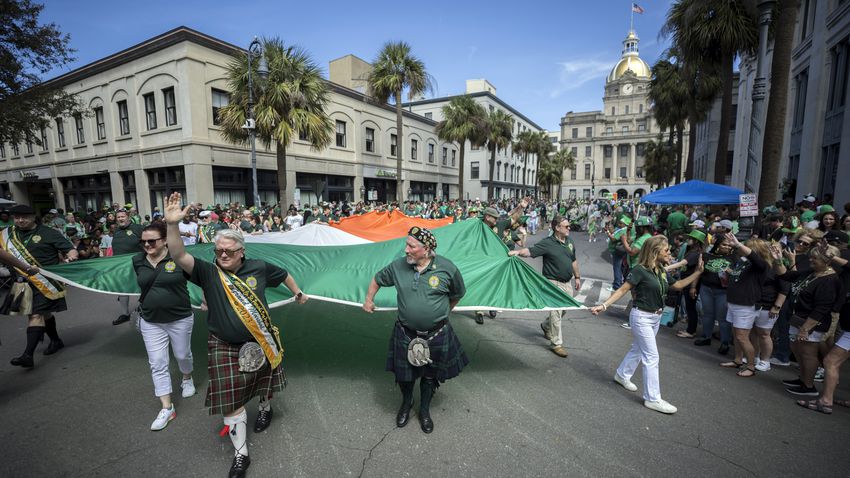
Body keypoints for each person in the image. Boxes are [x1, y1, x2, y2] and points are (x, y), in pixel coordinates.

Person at [163, 192, 308, 478]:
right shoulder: (207, 272)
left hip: (259, 339)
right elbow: (178, 255)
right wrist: (171, 225)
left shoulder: (260, 267)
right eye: (219, 251)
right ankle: (241, 454)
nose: (224, 255)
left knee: (263, 383)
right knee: (232, 401)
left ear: (242, 250)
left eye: (229, 251)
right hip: (223, 344)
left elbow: (285, 274)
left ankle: (265, 408)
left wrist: (298, 292)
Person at [363, 226, 466, 434]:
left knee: (430, 376)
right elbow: (376, 279)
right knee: (406, 375)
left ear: (426, 249)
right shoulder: (398, 266)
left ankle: (425, 410)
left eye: (411, 246)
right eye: (406, 244)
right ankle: (407, 403)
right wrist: (368, 299)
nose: (406, 250)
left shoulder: (447, 268)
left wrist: (441, 313)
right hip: (405, 332)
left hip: (437, 333)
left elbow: (457, 293)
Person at [590, 235, 703, 414]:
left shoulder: (661, 270)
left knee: (638, 349)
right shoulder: (639, 270)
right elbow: (623, 289)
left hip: (655, 318)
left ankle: (622, 375)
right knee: (652, 356)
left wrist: (697, 272)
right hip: (641, 317)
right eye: (666, 250)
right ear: (655, 251)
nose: (669, 253)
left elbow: (679, 284)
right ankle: (652, 399)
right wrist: (604, 305)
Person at [132, 221, 196, 431]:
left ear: (165, 240)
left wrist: (205, 298)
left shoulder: (178, 258)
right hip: (151, 321)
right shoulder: (137, 260)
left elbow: (201, 278)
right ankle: (167, 408)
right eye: (143, 242)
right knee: (157, 362)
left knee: (182, 355)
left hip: (180, 318)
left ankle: (187, 378)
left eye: (152, 241)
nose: (147, 245)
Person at [3, 204, 79, 368]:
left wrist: (72, 256)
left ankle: (27, 355)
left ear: (33, 217)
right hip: (20, 282)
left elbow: (70, 249)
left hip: (44, 282)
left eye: (24, 217)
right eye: (16, 217)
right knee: (44, 315)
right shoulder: (7, 234)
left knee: (34, 315)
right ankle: (56, 340)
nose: (20, 220)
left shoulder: (48, 232)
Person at [770, 242, 841, 397]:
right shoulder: (812, 272)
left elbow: (821, 308)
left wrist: (805, 328)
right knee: (798, 350)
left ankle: (808, 387)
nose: (810, 260)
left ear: (827, 261)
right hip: (798, 318)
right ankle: (802, 379)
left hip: (811, 323)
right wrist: (777, 259)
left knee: (808, 353)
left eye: (815, 258)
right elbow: (785, 275)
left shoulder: (829, 280)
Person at [509, 215, 580, 358]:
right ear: (557, 228)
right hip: (553, 283)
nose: (569, 228)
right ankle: (556, 343)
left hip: (567, 283)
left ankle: (546, 326)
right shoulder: (547, 243)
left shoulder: (569, 241)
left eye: (568, 226)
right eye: (566, 226)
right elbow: (530, 251)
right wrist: (517, 252)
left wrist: (577, 277)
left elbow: (573, 260)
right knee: (557, 312)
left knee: (564, 310)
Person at [717, 234, 772, 377]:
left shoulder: (761, 265)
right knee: (736, 334)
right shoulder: (743, 261)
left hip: (746, 305)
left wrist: (738, 244)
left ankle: (751, 366)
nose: (742, 248)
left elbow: (756, 259)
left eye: (747, 246)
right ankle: (737, 360)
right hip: (734, 303)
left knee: (742, 337)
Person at [112, 209, 145, 325]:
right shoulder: (116, 231)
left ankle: (145, 308)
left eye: (122, 216)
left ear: (128, 217)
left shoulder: (138, 228)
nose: (120, 219)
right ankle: (124, 314)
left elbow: (148, 242)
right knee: (122, 288)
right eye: (118, 217)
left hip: (139, 262)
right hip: (121, 265)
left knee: (142, 285)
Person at [606, 215, 631, 292]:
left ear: (625, 224)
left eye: (621, 223)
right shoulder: (622, 229)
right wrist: (609, 224)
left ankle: (616, 286)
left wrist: (608, 234)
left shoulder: (623, 231)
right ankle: (620, 282)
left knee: (617, 268)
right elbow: (613, 231)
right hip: (619, 252)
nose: (619, 224)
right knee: (620, 267)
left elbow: (613, 238)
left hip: (617, 252)